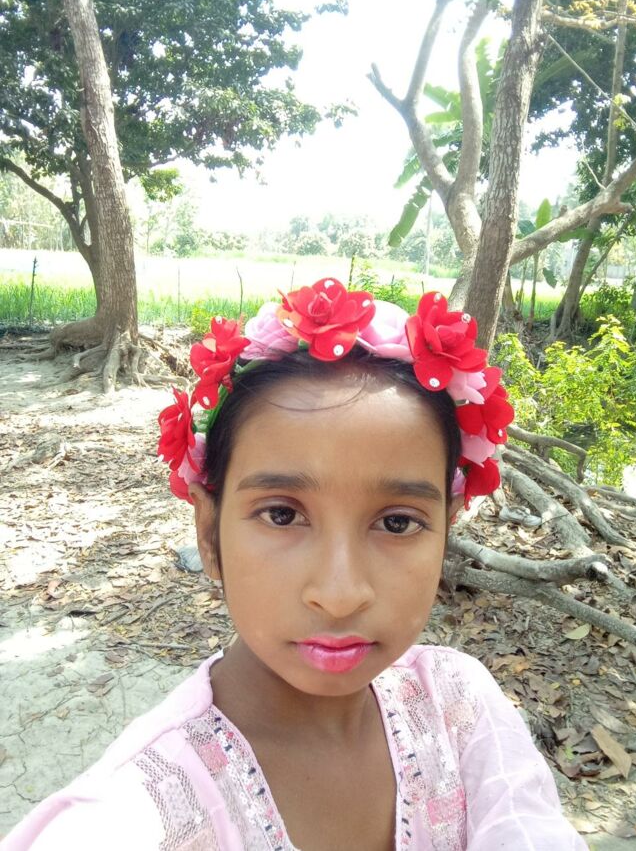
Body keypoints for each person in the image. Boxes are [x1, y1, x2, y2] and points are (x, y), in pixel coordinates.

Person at [3, 280, 586, 850]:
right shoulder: (133, 814)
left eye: (397, 523)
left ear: (446, 531)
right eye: (282, 515)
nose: (340, 594)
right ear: (209, 533)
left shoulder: (458, 708)